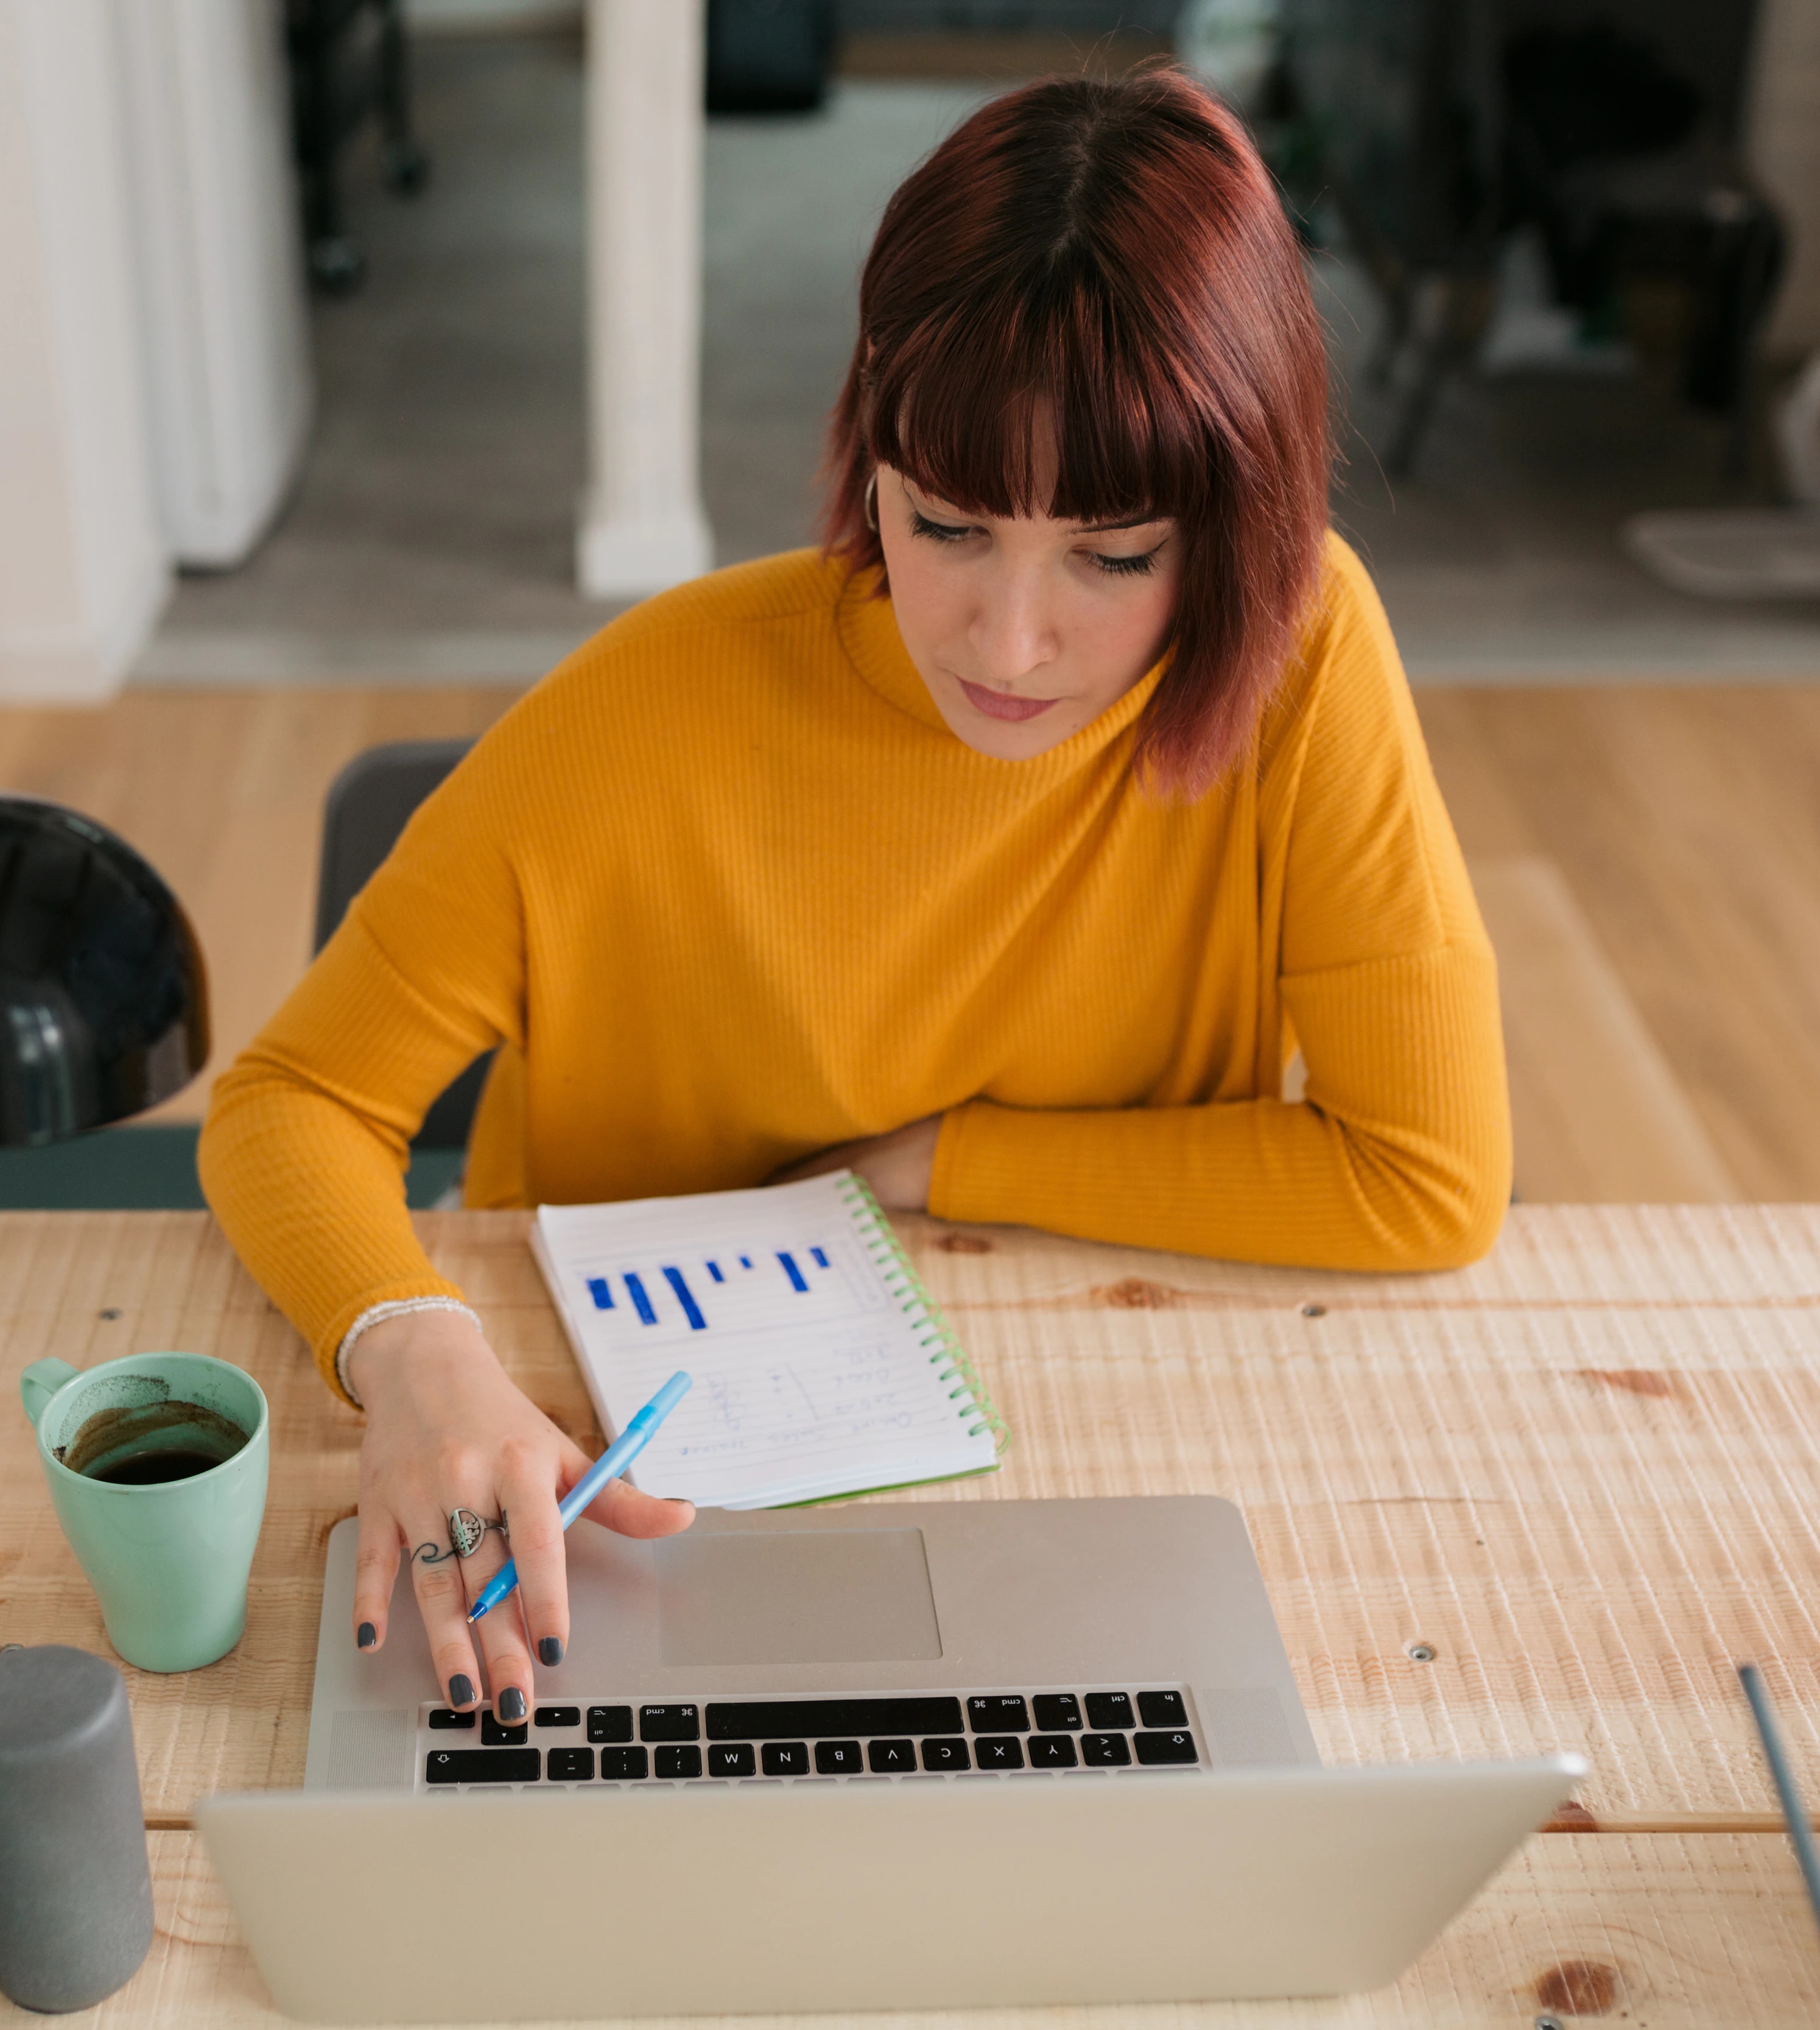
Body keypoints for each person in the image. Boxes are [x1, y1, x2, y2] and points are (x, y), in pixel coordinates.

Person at [199, 66, 1508, 1724]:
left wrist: (940, 1158)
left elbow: (1426, 1176)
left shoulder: (1304, 656)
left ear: (1238, 528)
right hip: (621, 1498)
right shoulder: (657, 702)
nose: (1007, 641)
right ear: (871, 432)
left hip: (1092, 1451)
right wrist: (414, 1346)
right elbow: (290, 1100)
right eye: (948, 523)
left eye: (1114, 557)